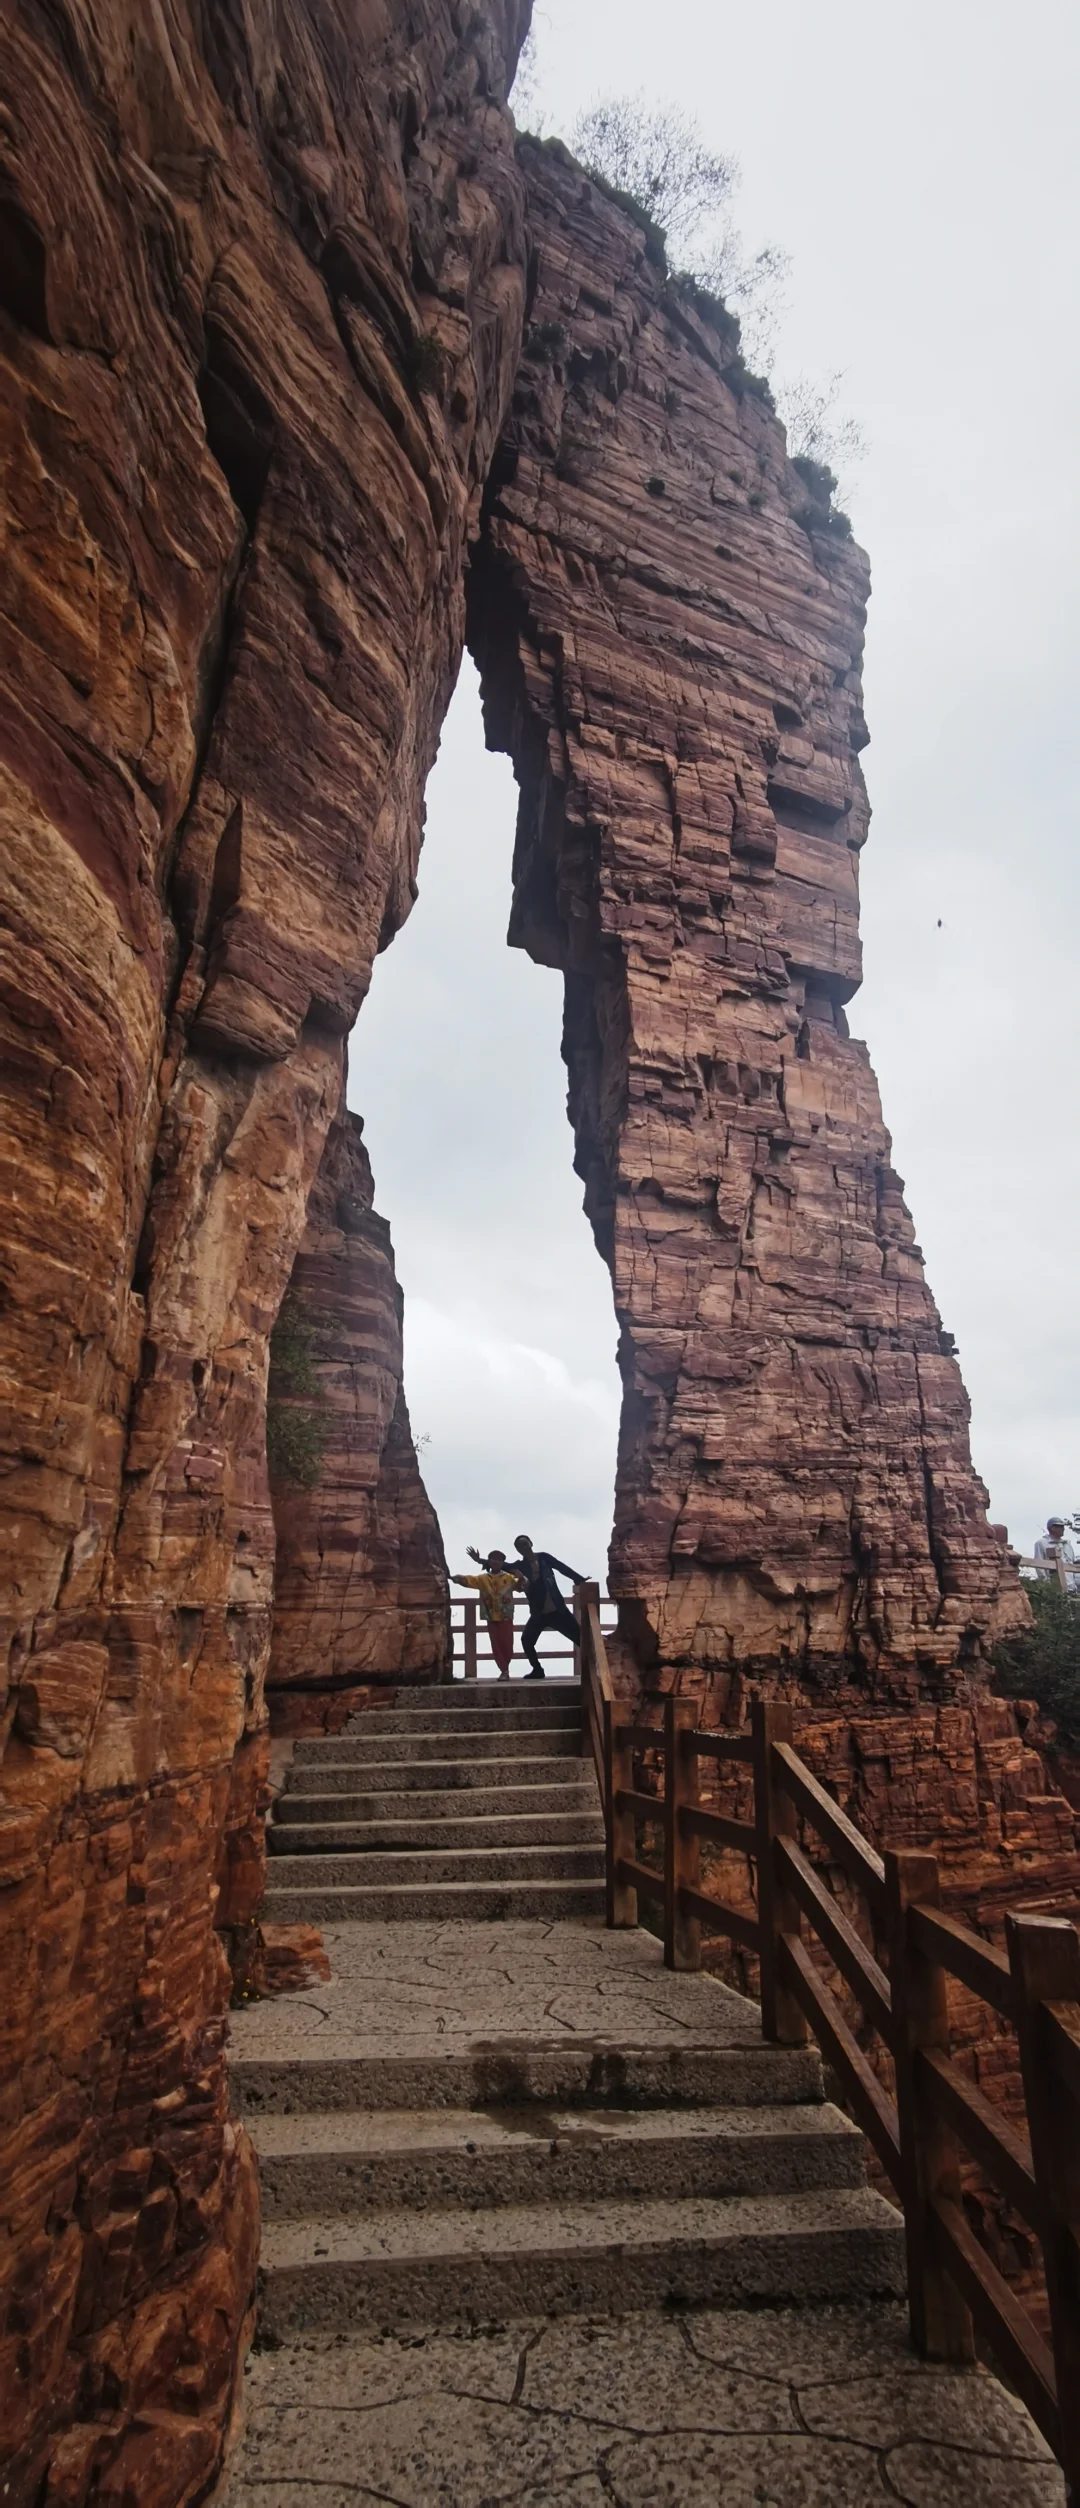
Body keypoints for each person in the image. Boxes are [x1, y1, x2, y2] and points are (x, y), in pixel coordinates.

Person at [512, 1534, 588, 1680]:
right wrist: (481, 1561)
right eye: (520, 1546)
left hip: (557, 1609)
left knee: (580, 1638)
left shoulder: (544, 1558)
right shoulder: (520, 1566)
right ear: (518, 1550)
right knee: (526, 1640)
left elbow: (561, 1567)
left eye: (525, 1543)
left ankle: (594, 1668)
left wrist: (578, 1579)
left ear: (531, 1543)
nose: (524, 1547)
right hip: (539, 1613)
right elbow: (502, 1565)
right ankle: (537, 1669)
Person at [452, 1549, 521, 1677]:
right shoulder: (483, 1578)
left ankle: (505, 1667)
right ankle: (504, 1670)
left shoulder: (509, 1578)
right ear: (489, 1561)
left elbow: (521, 1586)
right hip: (490, 1616)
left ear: (502, 1562)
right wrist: (456, 1578)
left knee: (507, 1643)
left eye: (498, 1560)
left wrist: (522, 1578)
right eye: (493, 1559)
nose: (495, 1562)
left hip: (505, 1615)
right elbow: (468, 1580)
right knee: (495, 1644)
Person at [1033, 1517, 1079, 1593]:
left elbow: (1073, 1565)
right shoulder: (1041, 1543)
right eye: (1061, 1526)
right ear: (1052, 1528)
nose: (1063, 1529)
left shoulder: (1067, 1545)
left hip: (1071, 1588)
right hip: (1055, 1589)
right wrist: (1047, 1585)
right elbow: (1039, 1566)